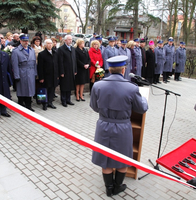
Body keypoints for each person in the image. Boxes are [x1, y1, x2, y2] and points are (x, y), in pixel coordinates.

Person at [90, 55, 148, 197]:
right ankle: (117, 187)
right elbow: (142, 108)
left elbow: (94, 107)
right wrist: (144, 100)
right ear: (124, 70)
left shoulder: (97, 85)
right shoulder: (131, 88)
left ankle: (108, 189)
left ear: (109, 69)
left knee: (106, 159)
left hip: (103, 125)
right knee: (123, 158)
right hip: (122, 127)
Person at [11, 34, 37, 111]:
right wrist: (16, 75)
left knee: (30, 90)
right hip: (22, 73)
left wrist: (35, 73)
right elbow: (14, 64)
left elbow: (34, 63)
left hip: (31, 73)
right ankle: (21, 105)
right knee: (22, 90)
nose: (26, 42)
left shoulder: (31, 50)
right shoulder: (16, 51)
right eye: (24, 41)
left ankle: (29, 105)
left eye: (27, 41)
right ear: (20, 41)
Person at [37, 39, 58, 110]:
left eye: (51, 43)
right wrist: (41, 77)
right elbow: (40, 67)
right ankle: (44, 104)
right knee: (44, 90)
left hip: (53, 75)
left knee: (52, 90)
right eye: (48, 43)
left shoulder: (55, 53)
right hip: (46, 76)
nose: (50, 45)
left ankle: (50, 102)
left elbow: (57, 65)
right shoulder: (42, 54)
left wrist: (57, 75)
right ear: (45, 45)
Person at [57, 35, 77, 107]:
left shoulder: (73, 49)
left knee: (70, 86)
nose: (70, 41)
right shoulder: (61, 49)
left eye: (71, 39)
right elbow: (60, 62)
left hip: (71, 70)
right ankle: (63, 100)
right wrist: (61, 72)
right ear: (65, 40)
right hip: (65, 71)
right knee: (64, 86)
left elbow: (75, 60)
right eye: (69, 39)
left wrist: (75, 70)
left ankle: (68, 99)